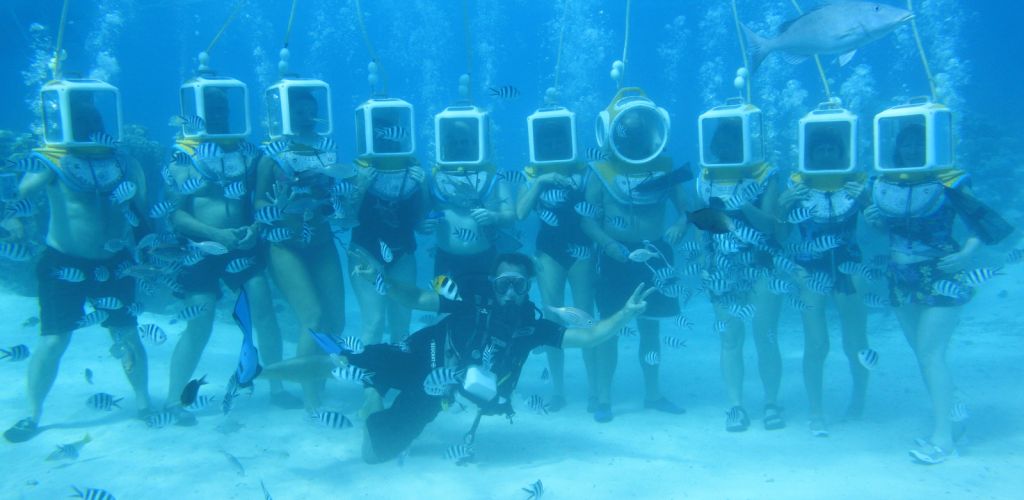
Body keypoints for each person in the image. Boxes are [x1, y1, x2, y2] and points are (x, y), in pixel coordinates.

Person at [332, 252, 655, 463]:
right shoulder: (468, 300)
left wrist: (625, 315)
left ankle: (375, 397)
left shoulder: (533, 328)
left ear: (528, 288)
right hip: (418, 355)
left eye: (519, 285)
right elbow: (417, 297)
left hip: (440, 390)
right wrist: (383, 281)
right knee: (343, 360)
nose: (510, 293)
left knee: (374, 454)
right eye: (504, 284)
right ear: (493, 285)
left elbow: (589, 336)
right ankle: (375, 384)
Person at [3, 92, 152, 442]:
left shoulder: (125, 162)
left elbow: (142, 213)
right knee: (54, 340)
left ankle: (144, 403)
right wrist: (14, 221)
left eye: (93, 121)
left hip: (115, 263)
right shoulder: (53, 159)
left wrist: (148, 254)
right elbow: (20, 195)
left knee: (127, 334)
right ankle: (32, 414)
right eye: (82, 122)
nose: (90, 127)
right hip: (62, 263)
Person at [164, 87, 299, 426]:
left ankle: (278, 389)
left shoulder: (249, 153)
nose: (220, 119)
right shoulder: (183, 154)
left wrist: (254, 228)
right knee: (200, 322)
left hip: (242, 245)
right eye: (213, 114)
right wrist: (214, 235)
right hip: (201, 250)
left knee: (264, 311)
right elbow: (176, 216)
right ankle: (174, 400)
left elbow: (258, 202)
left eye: (224, 113)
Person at [863, 123, 982, 464]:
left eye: (920, 142)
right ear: (898, 148)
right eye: (908, 143)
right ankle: (954, 416)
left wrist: (965, 255)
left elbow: (979, 224)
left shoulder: (951, 180)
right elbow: (882, 230)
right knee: (924, 354)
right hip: (899, 276)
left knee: (931, 353)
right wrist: (873, 221)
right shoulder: (882, 182)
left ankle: (942, 439)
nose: (913, 149)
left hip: (941, 273)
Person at [581, 99, 692, 422]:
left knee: (651, 328)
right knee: (608, 328)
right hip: (615, 258)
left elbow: (688, 210)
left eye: (640, 131)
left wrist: (678, 225)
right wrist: (607, 243)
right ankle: (603, 399)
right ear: (612, 133)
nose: (633, 138)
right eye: (626, 132)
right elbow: (586, 219)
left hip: (655, 256)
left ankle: (653, 394)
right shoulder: (599, 171)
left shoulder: (665, 168)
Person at [254, 87, 347, 412]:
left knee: (336, 320)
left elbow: (337, 193)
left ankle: (317, 383)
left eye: (311, 111)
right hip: (285, 244)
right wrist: (280, 208)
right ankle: (311, 402)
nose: (306, 117)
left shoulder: (329, 150)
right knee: (313, 316)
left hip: (321, 242)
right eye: (299, 112)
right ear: (286, 117)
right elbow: (259, 201)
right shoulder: (272, 152)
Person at [776, 127, 870, 437]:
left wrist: (868, 200)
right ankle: (816, 411)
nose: (827, 154)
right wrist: (782, 203)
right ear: (810, 153)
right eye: (821, 149)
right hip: (809, 271)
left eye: (833, 149)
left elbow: (879, 223)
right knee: (816, 344)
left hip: (850, 268)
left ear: (841, 153)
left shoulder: (857, 184)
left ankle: (858, 401)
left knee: (855, 343)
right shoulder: (795, 185)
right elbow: (779, 233)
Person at [696, 119, 786, 432]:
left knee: (766, 336)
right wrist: (706, 266)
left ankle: (771, 403)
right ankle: (736, 406)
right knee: (730, 338)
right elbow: (705, 225)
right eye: (722, 141)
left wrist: (743, 202)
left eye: (735, 141)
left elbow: (770, 225)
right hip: (721, 268)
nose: (727, 147)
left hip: (761, 264)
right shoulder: (706, 176)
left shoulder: (766, 175)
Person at [516, 156, 595, 411]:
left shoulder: (585, 170)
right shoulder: (530, 173)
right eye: (546, 143)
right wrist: (539, 182)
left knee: (586, 319)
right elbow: (520, 213)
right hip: (548, 251)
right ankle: (558, 391)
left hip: (582, 250)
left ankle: (595, 390)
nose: (552, 148)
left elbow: (594, 211)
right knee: (552, 322)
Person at [420, 118, 516, 292]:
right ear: (444, 145)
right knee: (448, 314)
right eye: (453, 142)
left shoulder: (493, 176)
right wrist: (423, 224)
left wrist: (494, 216)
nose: (459, 146)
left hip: (486, 259)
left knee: (488, 313)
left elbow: (510, 218)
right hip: (445, 259)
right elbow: (421, 219)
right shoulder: (432, 178)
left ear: (476, 144)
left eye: (464, 141)